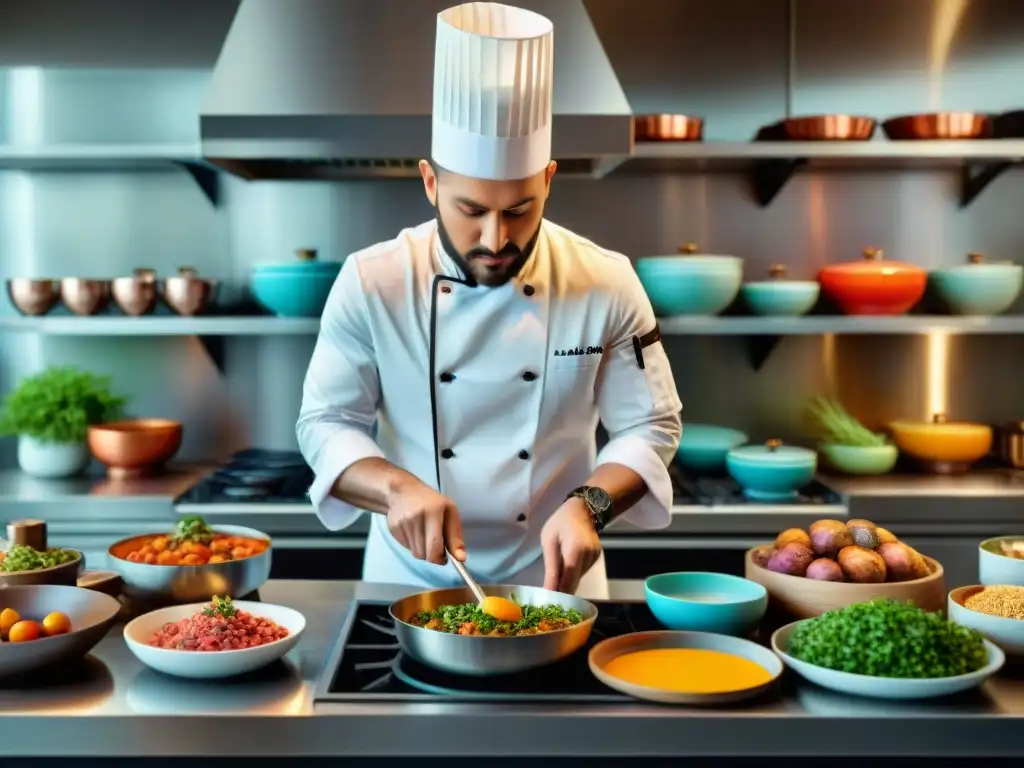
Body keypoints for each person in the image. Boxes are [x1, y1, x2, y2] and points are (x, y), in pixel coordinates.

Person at [296, 1, 682, 600]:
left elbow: (651, 424)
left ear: (549, 180)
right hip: (405, 583)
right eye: (471, 211)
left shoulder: (606, 281)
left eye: (521, 209)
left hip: (560, 585)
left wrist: (591, 505)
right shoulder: (372, 281)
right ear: (431, 182)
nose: (496, 239)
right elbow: (326, 422)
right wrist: (394, 488)